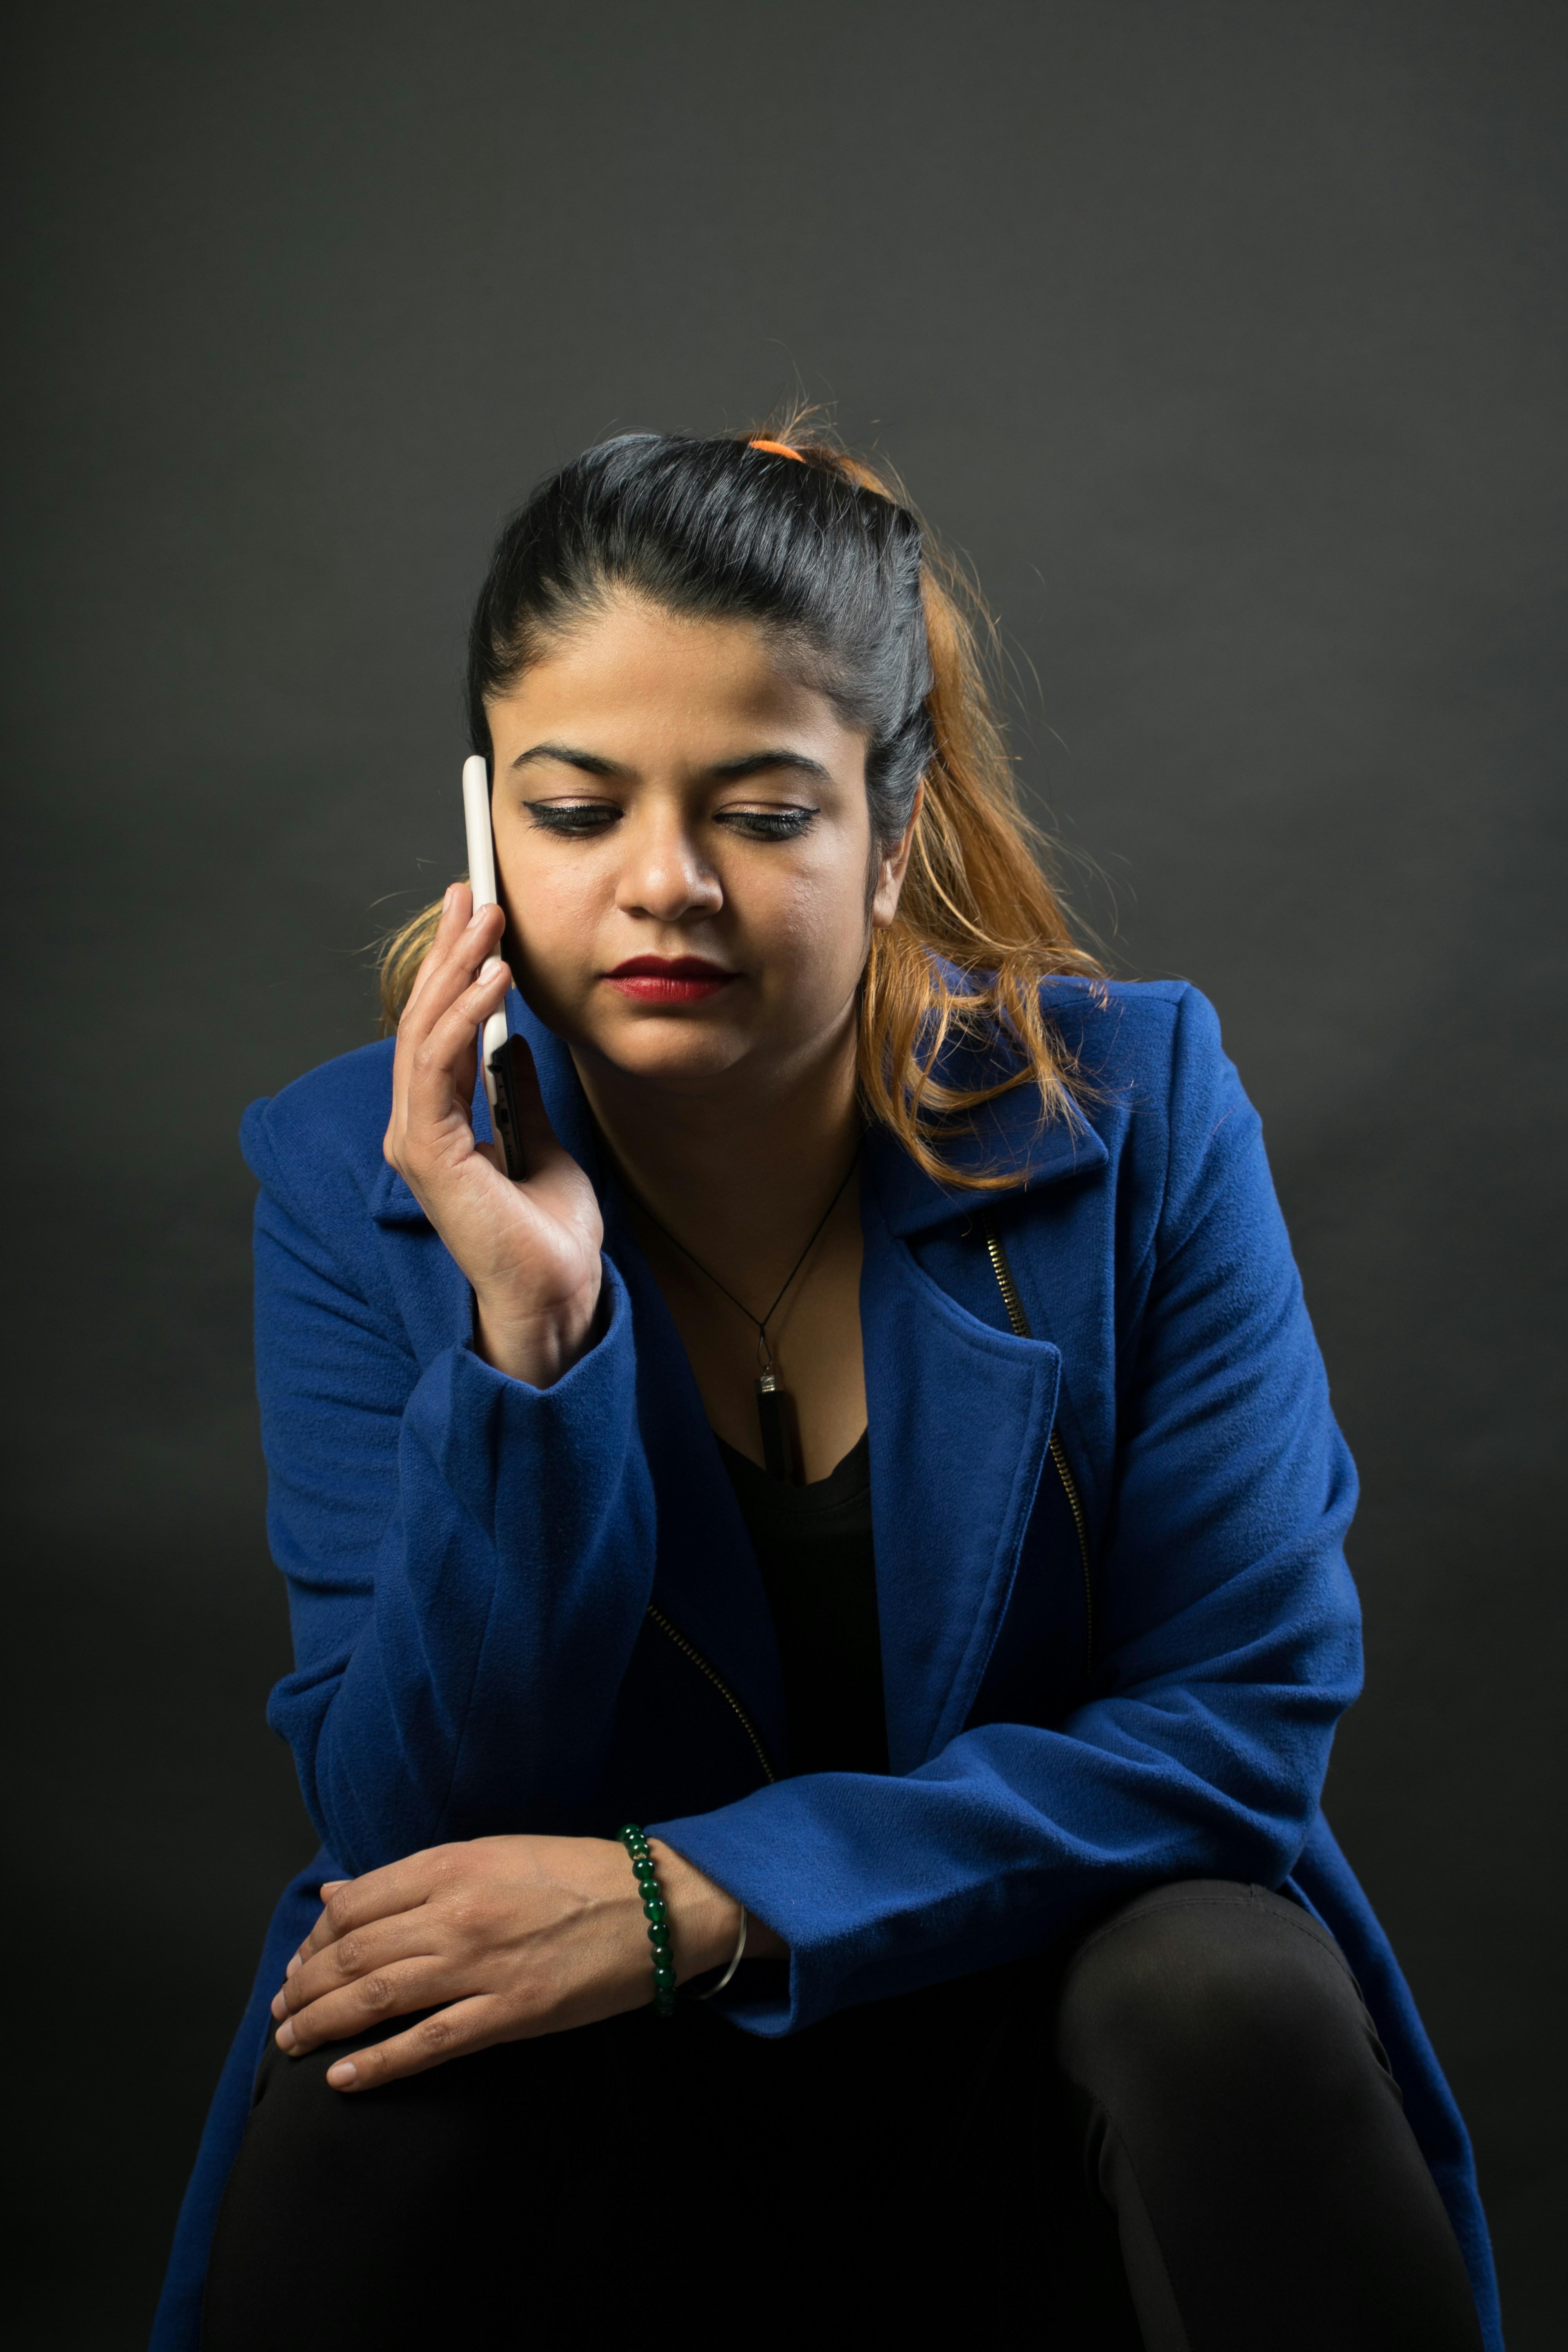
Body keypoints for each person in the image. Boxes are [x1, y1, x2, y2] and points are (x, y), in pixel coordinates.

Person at [152, 427, 1499, 2351]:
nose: (663, 886)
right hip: (608, 2118)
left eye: (763, 812)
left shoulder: (1136, 1116)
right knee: (388, 2032)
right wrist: (531, 1343)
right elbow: (412, 1831)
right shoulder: (351, 1183)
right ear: (484, 832)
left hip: (1042, 2060)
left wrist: (694, 1894)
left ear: (892, 828)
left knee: (1224, 1979)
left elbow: (1239, 1723)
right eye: (574, 807)